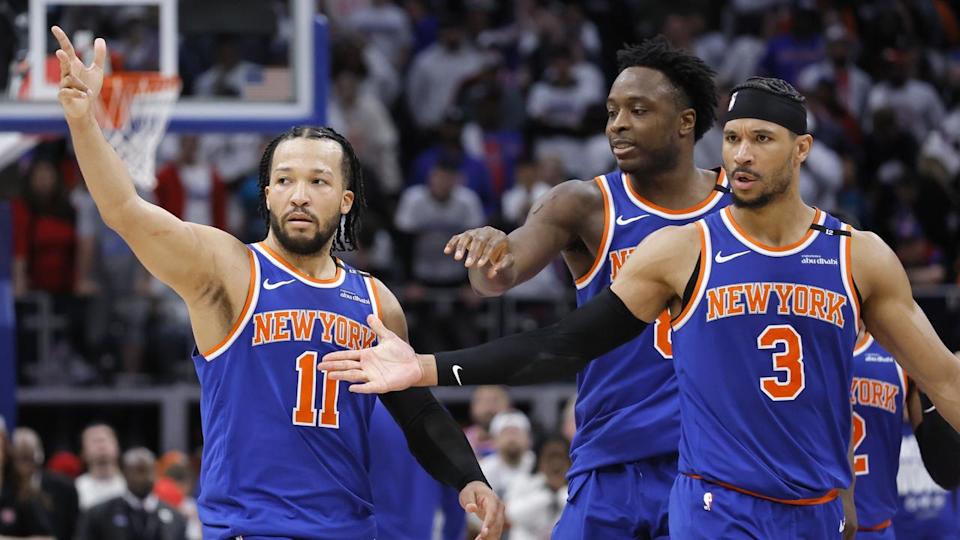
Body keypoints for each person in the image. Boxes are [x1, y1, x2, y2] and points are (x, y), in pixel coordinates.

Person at [319, 77, 960, 538]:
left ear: (802, 149)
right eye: (733, 138)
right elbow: (565, 343)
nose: (740, 153)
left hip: (816, 505)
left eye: (760, 138)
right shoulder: (681, 248)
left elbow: (943, 378)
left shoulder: (857, 255)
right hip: (711, 499)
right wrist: (428, 366)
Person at [50, 26, 503, 540]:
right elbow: (125, 211)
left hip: (349, 530)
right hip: (253, 530)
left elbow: (417, 408)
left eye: (318, 181)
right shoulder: (229, 270)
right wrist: (84, 122)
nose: (300, 195)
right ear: (266, 195)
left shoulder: (377, 302)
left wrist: (470, 477)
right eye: (285, 180)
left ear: (346, 201)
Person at [440, 36, 724, 539]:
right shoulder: (584, 204)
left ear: (685, 122)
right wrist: (487, 253)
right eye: (612, 110)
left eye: (639, 110)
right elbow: (500, 274)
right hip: (611, 459)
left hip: (710, 462)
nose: (618, 124)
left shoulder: (740, 209)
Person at [849, 331, 960, 537]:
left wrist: (931, 390)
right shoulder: (812, 350)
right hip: (814, 518)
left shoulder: (898, 353)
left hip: (877, 528)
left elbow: (948, 472)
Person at [368, 401, 466, 540]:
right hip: (420, 532)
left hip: (370, 531)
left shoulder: (363, 411)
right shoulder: (437, 413)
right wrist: (453, 536)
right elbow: (457, 490)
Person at [77, 447, 187, 540]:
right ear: (124, 473)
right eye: (139, 471)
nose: (145, 478)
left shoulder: (176, 517)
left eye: (150, 471)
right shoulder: (99, 514)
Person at [10, 428, 79, 540]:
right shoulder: (5, 489)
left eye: (28, 457)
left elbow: (75, 530)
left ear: (39, 454)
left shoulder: (64, 487)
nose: (24, 464)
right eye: (20, 457)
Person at [75, 424, 125, 511]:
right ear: (83, 452)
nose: (101, 445)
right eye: (94, 441)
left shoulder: (130, 485)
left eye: (105, 440)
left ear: (118, 448)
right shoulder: (77, 488)